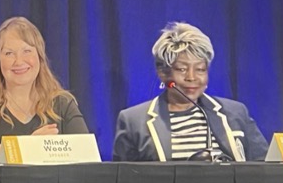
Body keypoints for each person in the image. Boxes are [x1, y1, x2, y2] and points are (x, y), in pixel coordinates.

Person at [113, 22, 268, 162]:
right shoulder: (133, 120)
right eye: (182, 69)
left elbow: (264, 167)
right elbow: (124, 182)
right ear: (163, 72)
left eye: (200, 69)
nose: (192, 77)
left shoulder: (235, 112)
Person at [0, 16, 88, 159]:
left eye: (27, 51)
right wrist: (29, 146)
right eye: (9, 53)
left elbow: (84, 153)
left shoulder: (62, 103)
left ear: (39, 56)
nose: (19, 61)